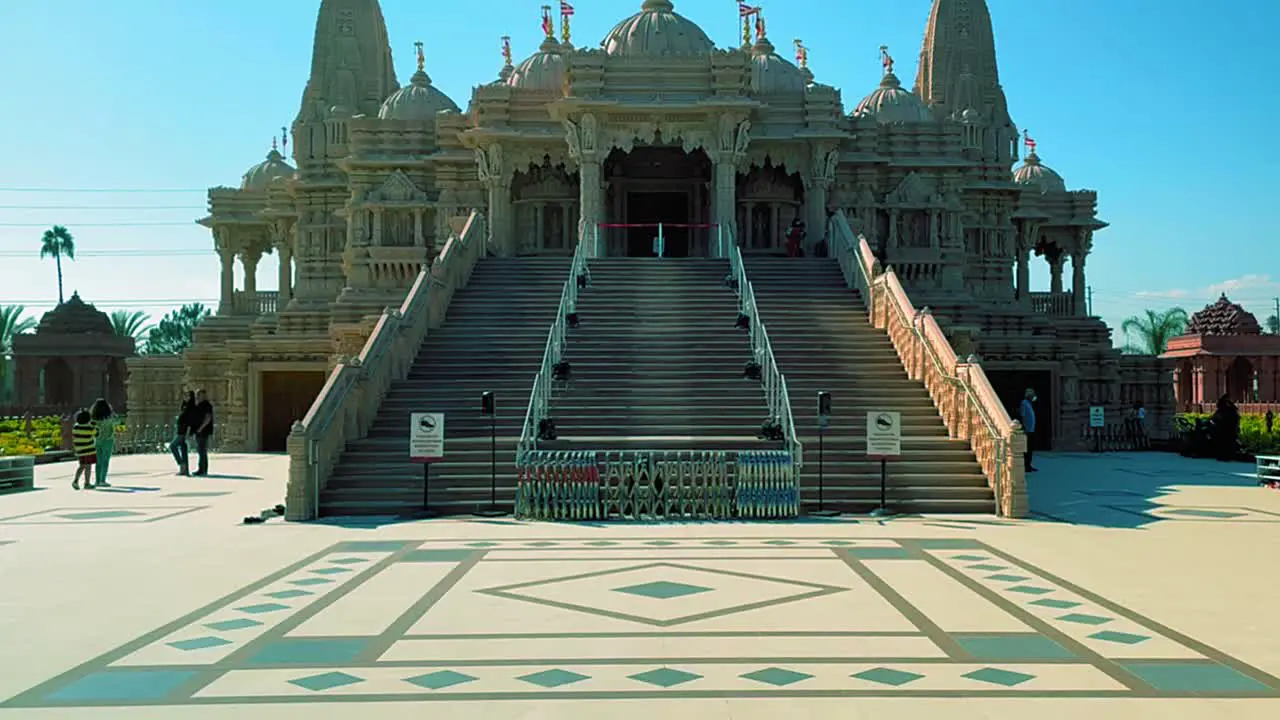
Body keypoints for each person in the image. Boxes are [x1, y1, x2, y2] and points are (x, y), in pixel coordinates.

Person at [89, 398, 119, 488]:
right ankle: (102, 480)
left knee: (98, 461)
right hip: (108, 440)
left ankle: (97, 481)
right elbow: (117, 421)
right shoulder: (110, 418)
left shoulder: (93, 418)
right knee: (105, 461)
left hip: (97, 441)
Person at [169, 391, 196, 476]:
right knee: (183, 449)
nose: (186, 397)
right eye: (185, 396)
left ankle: (181, 464)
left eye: (188, 396)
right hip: (180, 430)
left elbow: (190, 422)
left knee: (172, 446)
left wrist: (188, 433)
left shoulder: (191, 408)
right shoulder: (184, 406)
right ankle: (184, 470)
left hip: (183, 431)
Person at [191, 389, 215, 476]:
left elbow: (208, 418)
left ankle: (202, 469)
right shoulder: (199, 405)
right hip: (199, 430)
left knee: (202, 450)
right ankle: (202, 468)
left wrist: (200, 428)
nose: (197, 396)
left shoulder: (207, 405)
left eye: (199, 395)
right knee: (200, 450)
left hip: (203, 431)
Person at [71, 409, 97, 490]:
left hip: (80, 450)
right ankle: (87, 483)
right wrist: (94, 425)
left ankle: (75, 480)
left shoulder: (75, 427)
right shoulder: (89, 427)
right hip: (89, 450)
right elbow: (96, 433)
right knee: (88, 467)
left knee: (81, 466)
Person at [1020, 388, 1038, 472]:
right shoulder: (1024, 403)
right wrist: (1024, 427)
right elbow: (1023, 415)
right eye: (1032, 395)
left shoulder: (1029, 404)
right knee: (1027, 448)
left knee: (1030, 448)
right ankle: (1026, 466)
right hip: (1027, 430)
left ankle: (1029, 464)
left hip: (1031, 429)